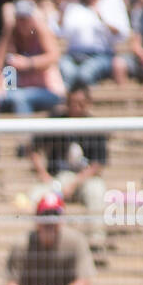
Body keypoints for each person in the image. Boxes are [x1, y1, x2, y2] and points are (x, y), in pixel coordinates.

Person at [28, 83, 107, 221]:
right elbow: (33, 148)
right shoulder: (55, 121)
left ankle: (96, 240)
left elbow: (97, 164)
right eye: (73, 103)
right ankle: (39, 238)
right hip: (58, 178)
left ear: (88, 103)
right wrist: (43, 174)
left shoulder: (96, 126)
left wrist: (75, 183)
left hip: (85, 179)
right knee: (35, 196)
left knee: (97, 191)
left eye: (81, 104)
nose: (76, 108)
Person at [57, 0, 129, 88]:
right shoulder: (73, 5)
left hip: (101, 55)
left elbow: (122, 33)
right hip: (74, 55)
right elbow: (60, 32)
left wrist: (101, 17)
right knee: (65, 70)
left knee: (85, 74)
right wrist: (65, 4)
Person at [0, 0, 64, 115]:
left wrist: (28, 63)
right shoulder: (11, 31)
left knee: (21, 98)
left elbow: (53, 57)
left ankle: (24, 133)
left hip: (47, 89)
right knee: (1, 96)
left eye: (25, 19)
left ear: (32, 18)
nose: (23, 23)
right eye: (20, 19)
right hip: (17, 88)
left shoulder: (41, 29)